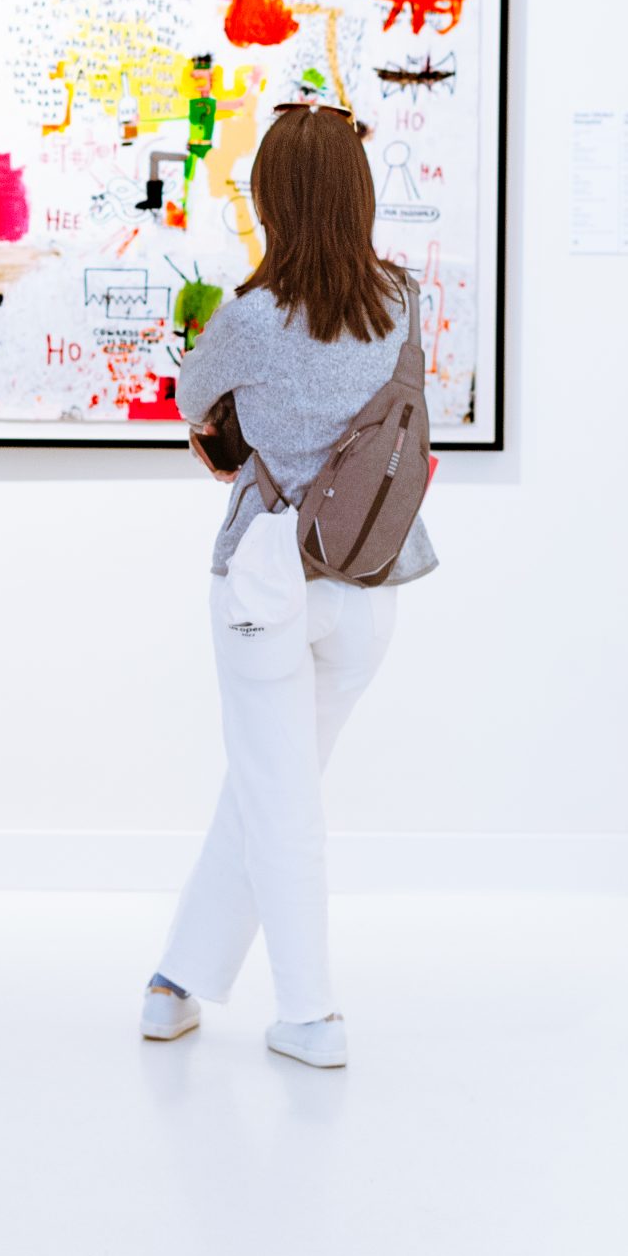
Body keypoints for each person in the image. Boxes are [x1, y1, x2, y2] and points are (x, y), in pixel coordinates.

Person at [144, 102, 437, 1068]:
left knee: (279, 797)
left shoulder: (247, 319)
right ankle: (176, 984)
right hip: (372, 582)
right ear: (358, 197)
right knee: (273, 784)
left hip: (265, 583)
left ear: (268, 200)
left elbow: (193, 407)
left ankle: (309, 1015)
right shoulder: (402, 303)